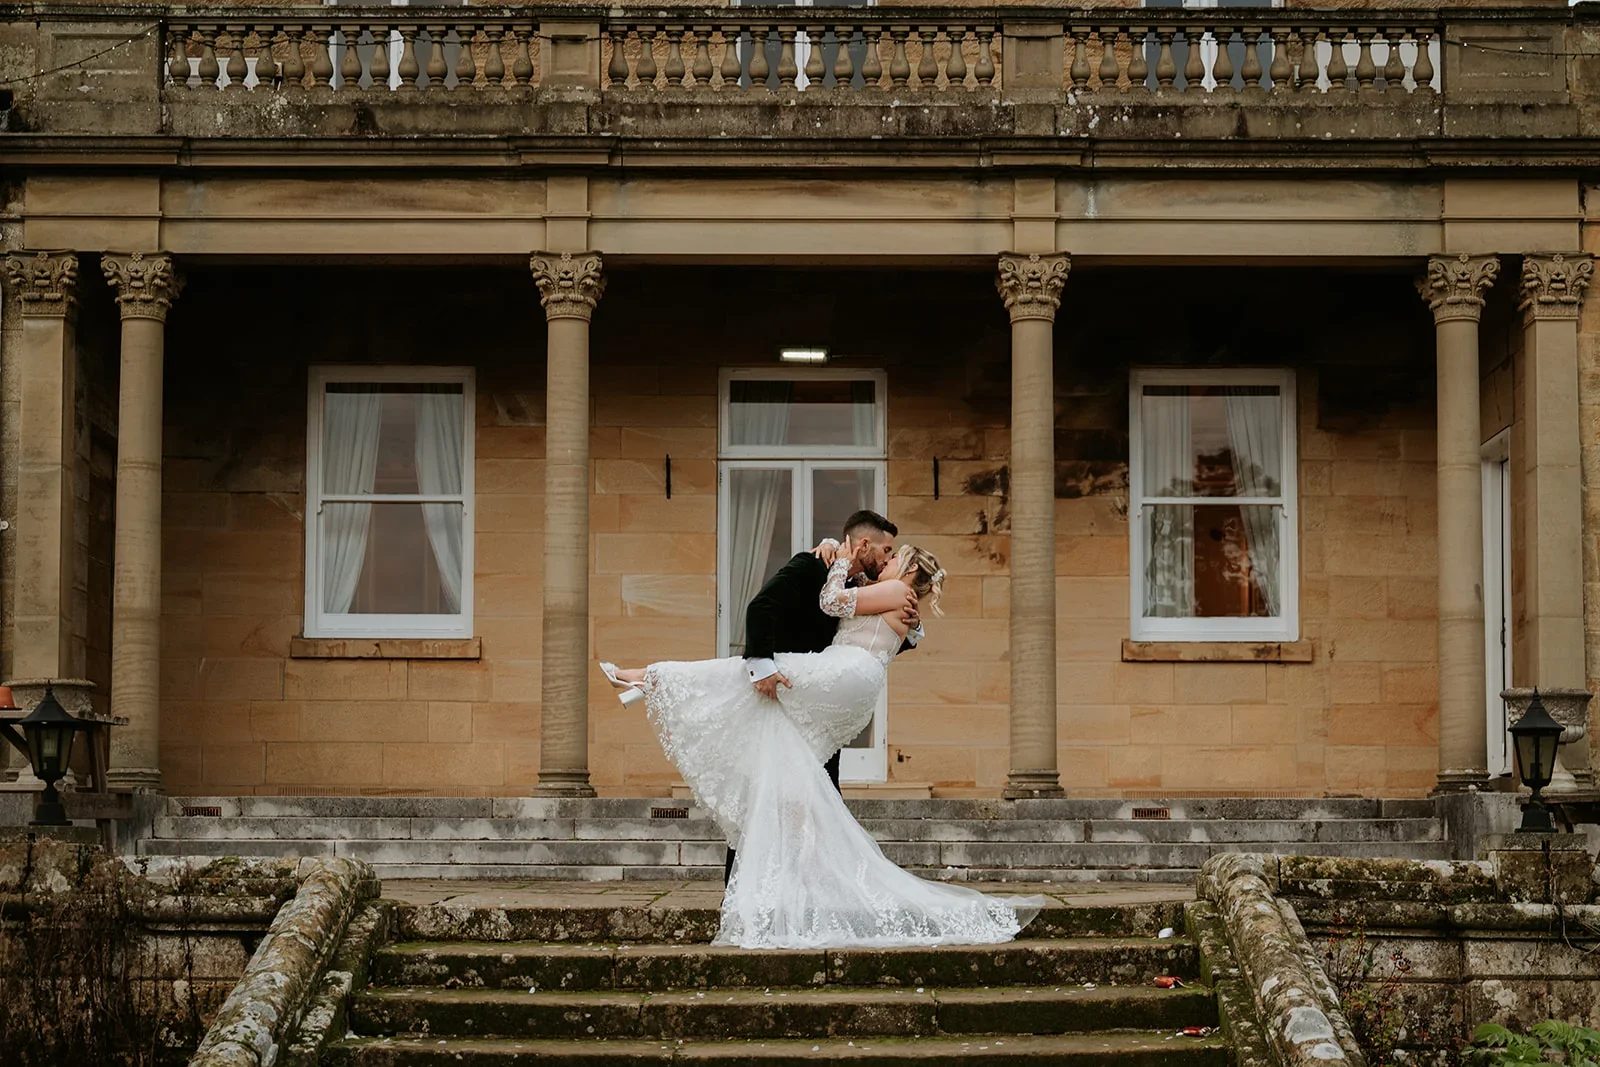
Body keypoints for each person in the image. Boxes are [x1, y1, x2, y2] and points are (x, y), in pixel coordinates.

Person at [601, 537, 1042, 949]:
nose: (885, 563)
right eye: (884, 554)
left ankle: (647, 676)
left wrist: (842, 561)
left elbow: (831, 602)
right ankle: (648, 682)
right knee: (781, 760)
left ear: (907, 570)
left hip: (844, 672)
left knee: (745, 674)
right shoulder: (900, 600)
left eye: (892, 559)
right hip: (854, 681)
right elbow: (894, 629)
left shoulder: (893, 594)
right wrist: (846, 561)